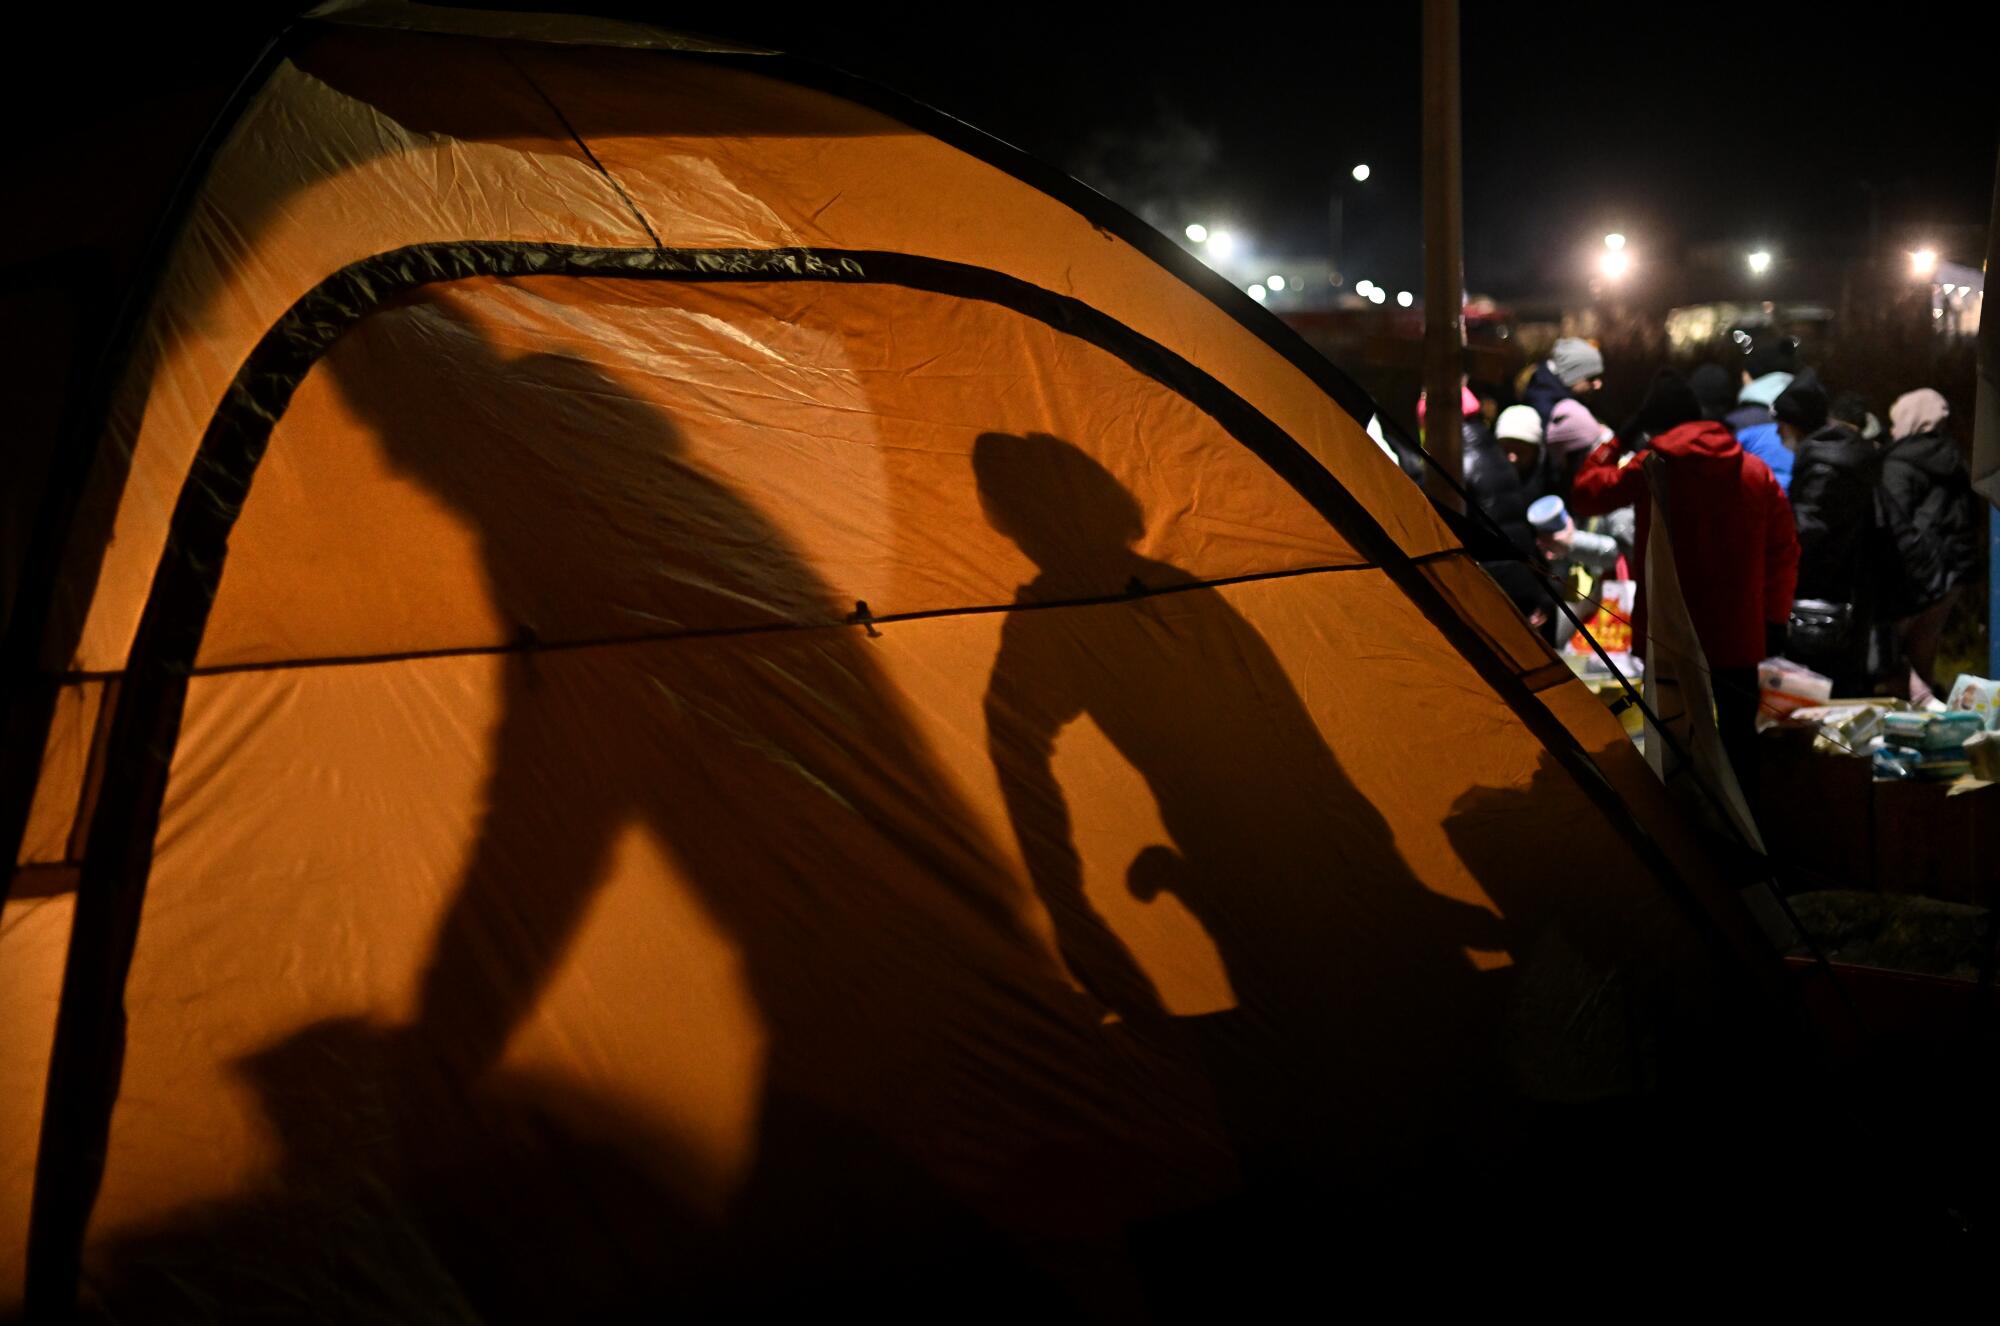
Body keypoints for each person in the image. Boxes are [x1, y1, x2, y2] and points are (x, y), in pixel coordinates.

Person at [1569, 369, 1798, 786]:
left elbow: (1585, 490)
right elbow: (1783, 552)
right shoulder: (1753, 472)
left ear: (1655, 426)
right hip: (1738, 636)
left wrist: (1623, 434)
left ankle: (1683, 841)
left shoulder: (1650, 470)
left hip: (1669, 633)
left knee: (1673, 745)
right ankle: (1745, 842)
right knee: (1738, 748)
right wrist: (1775, 618)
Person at [1878, 388, 1981, 706]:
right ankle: (1925, 731)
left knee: (1890, 655)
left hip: (1915, 571)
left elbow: (1894, 516)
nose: (1892, 428)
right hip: (1953, 572)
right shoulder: (1955, 459)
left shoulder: (1899, 461)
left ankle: (1903, 727)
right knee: (1924, 654)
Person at [1777, 377, 1879, 691]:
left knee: (1818, 695)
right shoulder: (1840, 455)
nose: (1779, 434)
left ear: (1795, 425)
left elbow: (1809, 533)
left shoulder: (1824, 467)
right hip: (1848, 598)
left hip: (1825, 603)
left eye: (1781, 426)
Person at [1521, 337, 1605, 429]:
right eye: (1591, 378)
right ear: (1572, 374)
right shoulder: (1550, 416)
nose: (1598, 384)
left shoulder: (1563, 398)